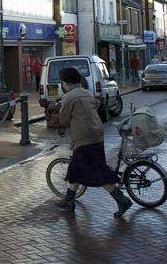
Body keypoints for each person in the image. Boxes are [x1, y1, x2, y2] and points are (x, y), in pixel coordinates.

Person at [52, 66, 133, 218]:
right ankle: (69, 201)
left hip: (84, 139)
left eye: (62, 82)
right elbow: (95, 105)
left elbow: (63, 120)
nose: (62, 85)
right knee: (75, 170)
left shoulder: (68, 97)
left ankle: (122, 200)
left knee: (98, 172)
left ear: (65, 83)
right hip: (97, 136)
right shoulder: (87, 93)